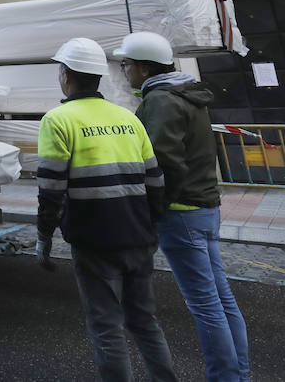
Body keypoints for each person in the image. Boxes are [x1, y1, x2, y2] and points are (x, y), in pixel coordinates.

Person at [36, 38, 175, 382]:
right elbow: (155, 181)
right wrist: (151, 227)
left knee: (107, 328)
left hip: (94, 241)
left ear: (66, 75)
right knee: (144, 322)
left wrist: (44, 238)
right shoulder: (128, 118)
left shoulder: (58, 120)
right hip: (138, 237)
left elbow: (51, 190)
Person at [118, 31, 249, 382]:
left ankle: (226, 378)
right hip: (204, 207)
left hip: (181, 212)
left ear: (144, 69)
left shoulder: (161, 101)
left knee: (206, 306)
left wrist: (153, 210)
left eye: (127, 64)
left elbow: (164, 163)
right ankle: (239, 375)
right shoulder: (188, 95)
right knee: (221, 301)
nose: (125, 70)